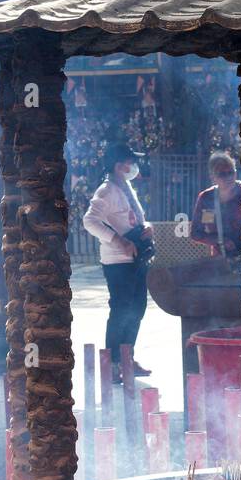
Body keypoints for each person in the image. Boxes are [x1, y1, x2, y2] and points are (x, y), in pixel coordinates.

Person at [83, 140, 154, 383]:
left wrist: (146, 229)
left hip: (135, 258)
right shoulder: (106, 190)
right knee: (121, 310)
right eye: (129, 161)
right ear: (117, 165)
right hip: (118, 261)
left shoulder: (125, 187)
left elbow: (131, 218)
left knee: (137, 309)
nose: (133, 165)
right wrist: (119, 241)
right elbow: (90, 221)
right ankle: (112, 365)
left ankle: (127, 358)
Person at [190, 150, 241, 257]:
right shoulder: (206, 198)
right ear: (213, 177)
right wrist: (220, 240)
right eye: (222, 174)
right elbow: (196, 233)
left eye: (231, 172)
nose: (228, 177)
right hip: (221, 258)